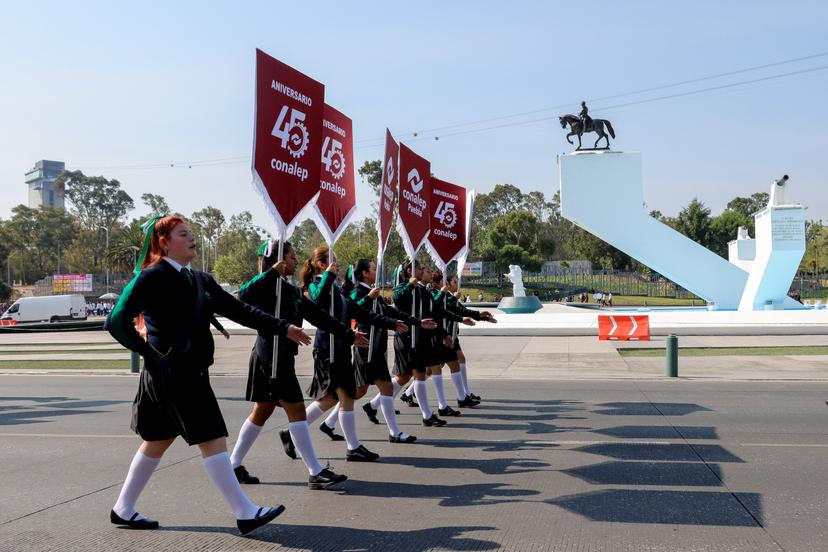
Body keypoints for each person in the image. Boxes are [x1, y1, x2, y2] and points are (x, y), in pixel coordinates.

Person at [105, 215, 311, 535]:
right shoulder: (151, 277)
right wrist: (149, 355)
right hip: (174, 375)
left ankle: (123, 508)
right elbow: (116, 322)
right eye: (183, 234)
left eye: (192, 233)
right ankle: (245, 511)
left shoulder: (199, 279)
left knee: (157, 441)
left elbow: (239, 310)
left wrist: (283, 327)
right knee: (213, 439)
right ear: (163, 242)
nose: (192, 239)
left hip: (185, 372)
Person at [229, 240, 364, 489]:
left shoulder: (289, 291)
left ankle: (233, 465)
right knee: (297, 411)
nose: (294, 261)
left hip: (281, 357)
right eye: (290, 257)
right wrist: (271, 272)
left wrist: (349, 334)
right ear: (277, 259)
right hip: (270, 358)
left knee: (262, 411)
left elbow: (318, 315)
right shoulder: (267, 285)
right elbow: (242, 296)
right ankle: (315, 471)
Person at [298, 244, 401, 462]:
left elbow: (362, 312)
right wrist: (327, 276)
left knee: (332, 399)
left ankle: (292, 431)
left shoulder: (337, 290)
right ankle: (353, 447)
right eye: (332, 260)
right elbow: (317, 300)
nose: (337, 264)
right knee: (345, 397)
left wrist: (394, 323)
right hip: (328, 350)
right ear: (321, 264)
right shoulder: (316, 284)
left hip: (341, 348)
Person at [346, 259, 437, 442]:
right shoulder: (359, 292)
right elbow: (353, 310)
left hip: (377, 348)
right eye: (372, 268)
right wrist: (369, 298)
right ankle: (327, 422)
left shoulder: (375, 294)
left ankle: (395, 433)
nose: (375, 271)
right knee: (357, 392)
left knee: (385, 388)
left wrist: (417, 322)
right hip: (366, 348)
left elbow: (390, 311)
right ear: (364, 273)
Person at [391, 259, 467, 427]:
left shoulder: (422, 290)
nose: (426, 272)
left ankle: (427, 415)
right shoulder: (403, 287)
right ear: (411, 271)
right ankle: (379, 402)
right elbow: (397, 299)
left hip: (418, 339)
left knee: (418, 375)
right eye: (421, 269)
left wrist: (444, 334)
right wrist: (410, 284)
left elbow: (434, 312)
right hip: (405, 338)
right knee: (404, 377)